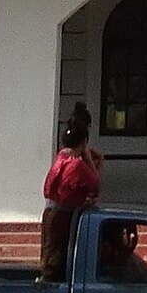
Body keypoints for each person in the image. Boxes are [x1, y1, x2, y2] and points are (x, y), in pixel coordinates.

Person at [38, 104, 101, 282]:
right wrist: (90, 161)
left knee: (50, 252)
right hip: (64, 216)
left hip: (51, 212)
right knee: (59, 257)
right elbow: (95, 185)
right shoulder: (76, 165)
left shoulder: (61, 158)